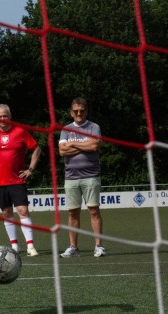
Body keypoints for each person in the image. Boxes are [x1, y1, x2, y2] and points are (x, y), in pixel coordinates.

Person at [0, 104, 41, 257]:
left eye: (5, 116)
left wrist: (31, 169)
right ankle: (14, 246)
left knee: (23, 211)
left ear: (10, 116)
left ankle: (31, 246)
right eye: (0, 116)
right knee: (6, 213)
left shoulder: (20, 132)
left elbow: (36, 148)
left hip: (17, 180)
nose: (3, 119)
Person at [58, 98, 105, 258]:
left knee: (94, 210)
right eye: (76, 111)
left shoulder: (94, 127)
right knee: (73, 212)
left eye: (82, 110)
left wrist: (73, 145)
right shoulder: (66, 129)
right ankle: (73, 247)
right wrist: (83, 146)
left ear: (86, 111)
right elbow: (62, 151)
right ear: (71, 112)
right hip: (71, 177)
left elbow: (94, 146)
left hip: (91, 176)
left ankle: (98, 246)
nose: (79, 113)